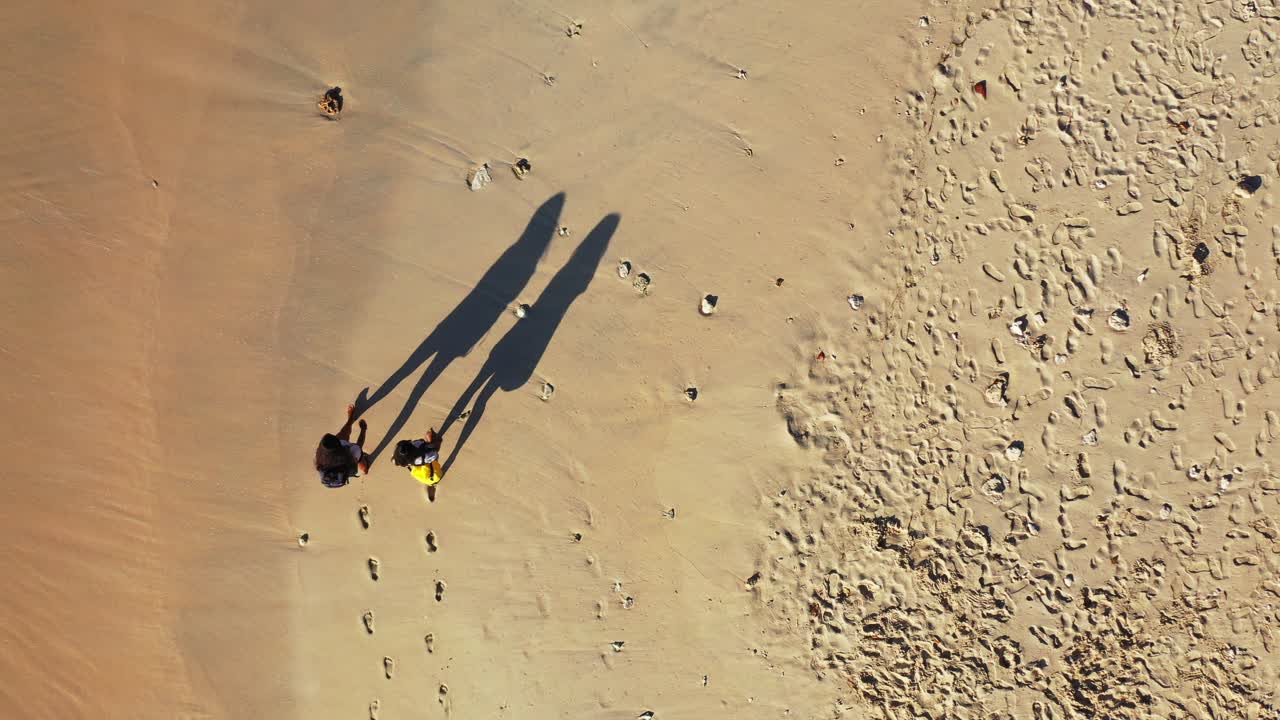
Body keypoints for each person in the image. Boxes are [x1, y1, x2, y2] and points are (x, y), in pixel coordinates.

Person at [315, 404, 370, 488]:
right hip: (350, 467)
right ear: (338, 443)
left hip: (339, 476)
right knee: (363, 469)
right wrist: (363, 431)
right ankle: (353, 421)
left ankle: (350, 419)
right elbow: (359, 445)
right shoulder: (350, 450)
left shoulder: (320, 456)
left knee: (344, 433)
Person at [392, 428, 443, 496]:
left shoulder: (398, 458)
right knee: (435, 455)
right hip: (432, 476)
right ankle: (433, 483)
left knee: (428, 462)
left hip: (419, 473)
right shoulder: (416, 445)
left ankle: (431, 484)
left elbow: (395, 462)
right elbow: (435, 454)